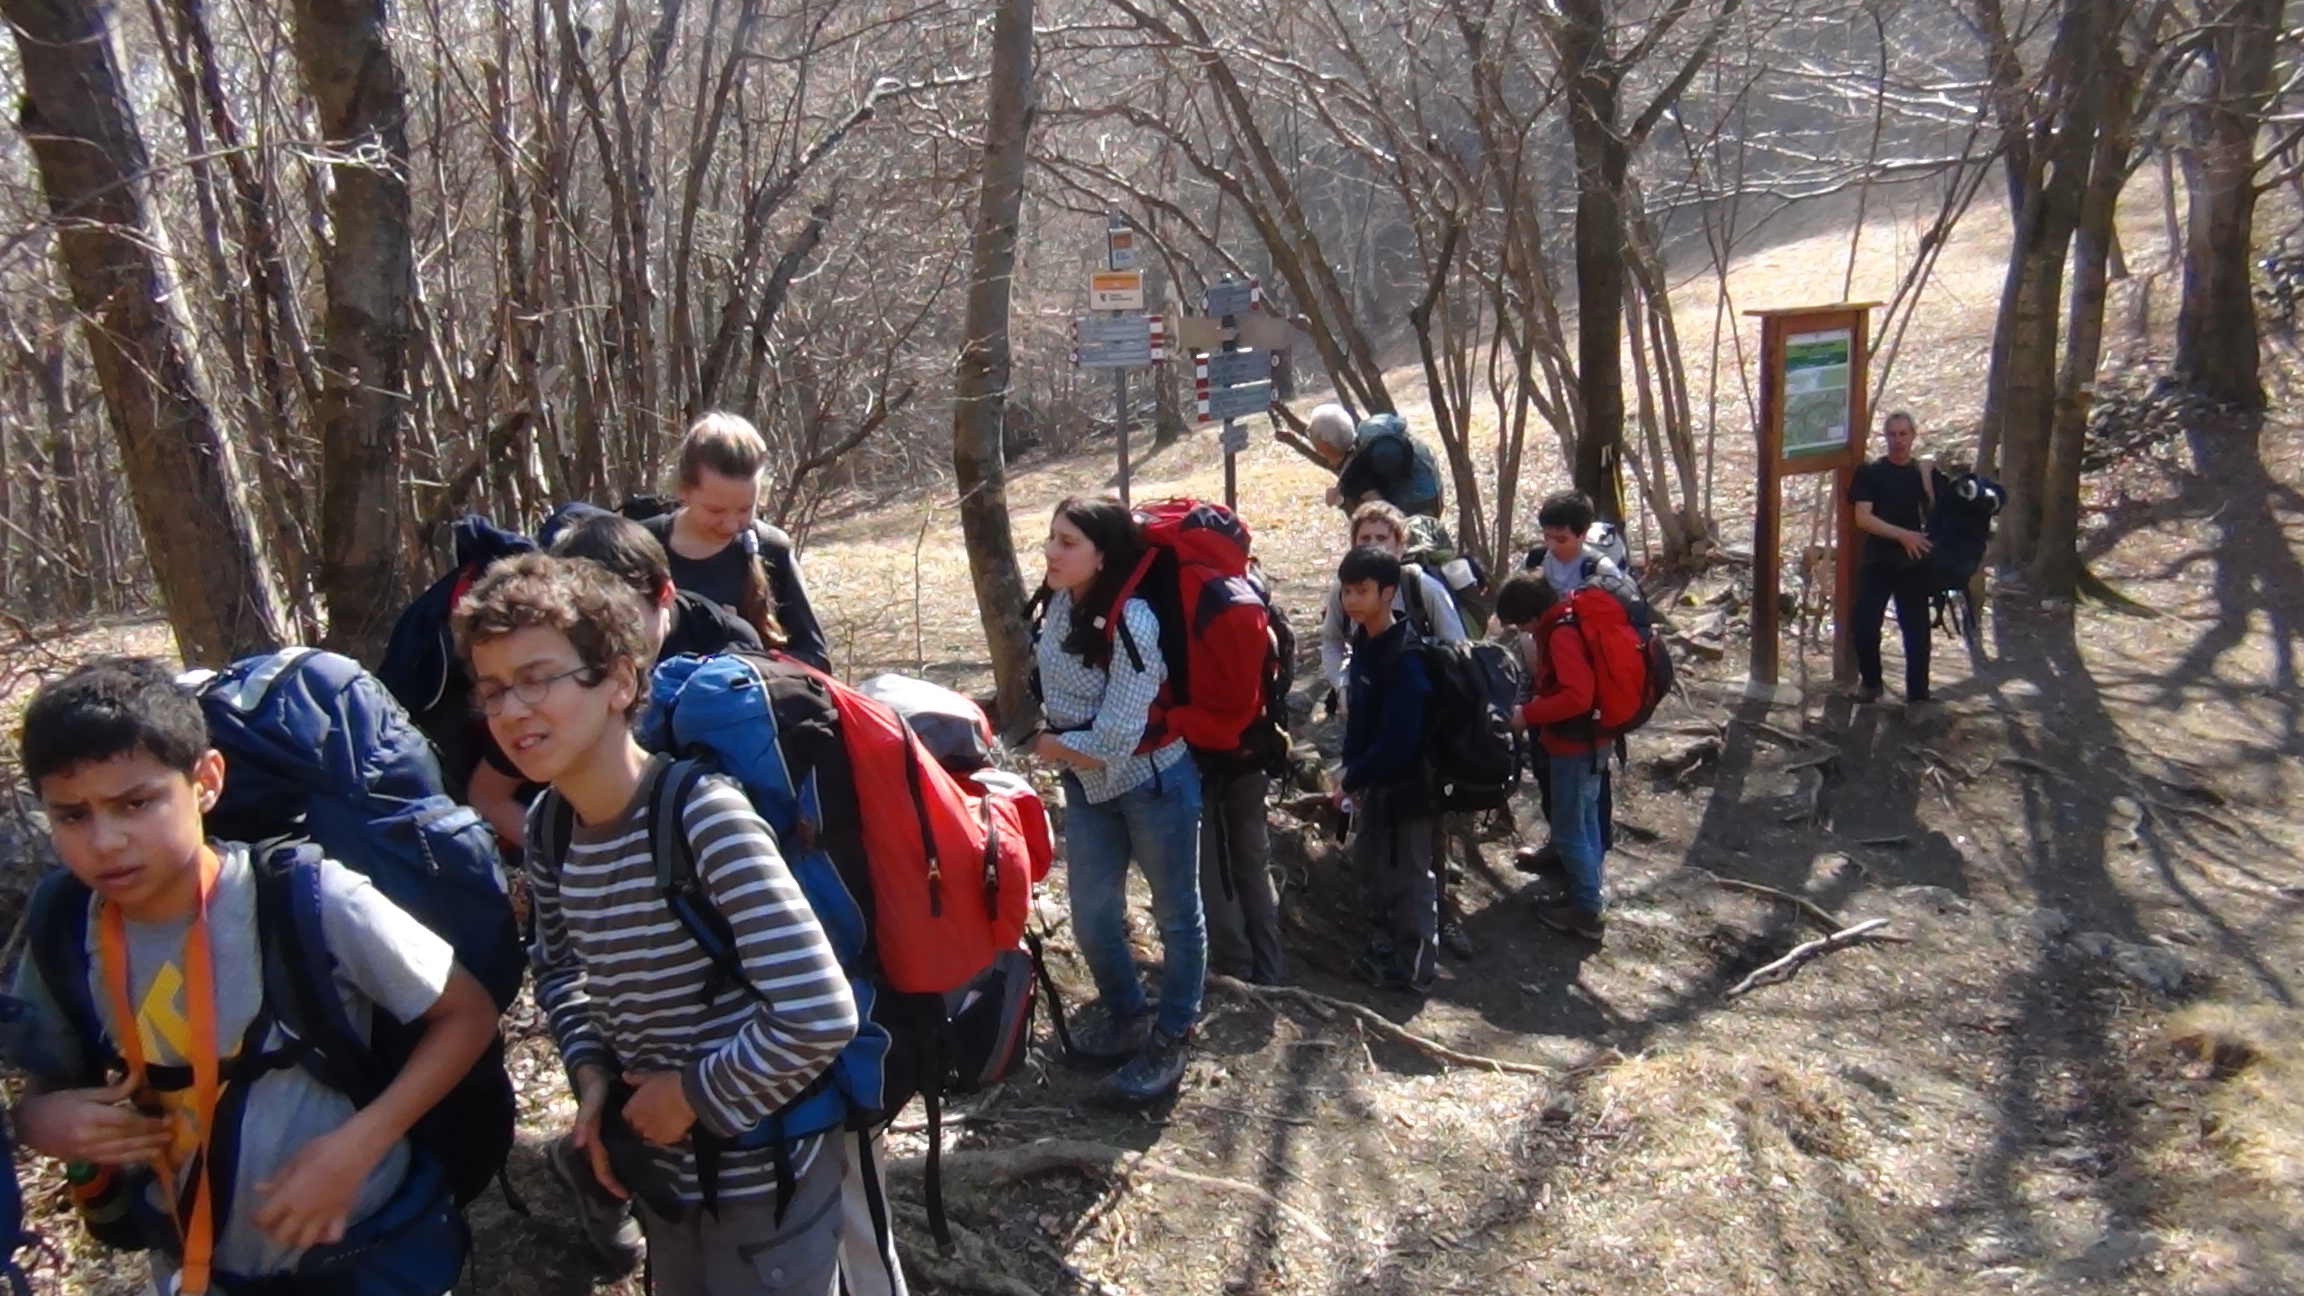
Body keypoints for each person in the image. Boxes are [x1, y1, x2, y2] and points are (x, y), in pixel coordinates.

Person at [6, 657, 499, 1295]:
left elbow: (467, 1014)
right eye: (73, 815)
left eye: (137, 803)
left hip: (360, 1251)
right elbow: (46, 1076)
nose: (106, 841)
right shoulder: (64, 923)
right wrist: (38, 1120)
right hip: (193, 1264)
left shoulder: (305, 897)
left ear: (206, 781)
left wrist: (359, 1146)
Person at [454, 555, 860, 1295]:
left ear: (618, 680)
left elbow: (818, 1011)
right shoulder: (549, 827)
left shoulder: (704, 817)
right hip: (661, 1170)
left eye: (537, 679)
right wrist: (592, 1076)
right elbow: (560, 969)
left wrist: (690, 1096)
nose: (511, 710)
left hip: (766, 1178)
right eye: (494, 689)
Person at [1031, 497, 1206, 1108]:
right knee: (1092, 916)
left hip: (1153, 784)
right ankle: (1128, 1016)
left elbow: (1115, 741)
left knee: (1176, 915)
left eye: (1068, 542)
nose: (1052, 551)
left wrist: (1049, 745)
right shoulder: (1056, 603)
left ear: (1103, 557)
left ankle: (1173, 1035)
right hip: (1088, 788)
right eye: (1051, 537)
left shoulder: (1134, 621)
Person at [1318, 501, 1475, 958]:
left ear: (1400, 544)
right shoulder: (1349, 594)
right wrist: (1344, 685)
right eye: (1363, 539)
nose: (1373, 545)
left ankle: (1435, 927)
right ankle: (1388, 931)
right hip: (1371, 736)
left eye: (1381, 538)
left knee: (1426, 840)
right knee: (1379, 837)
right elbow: (1332, 642)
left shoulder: (1421, 589)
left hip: (1424, 740)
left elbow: (1457, 651)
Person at [642, 412, 831, 671]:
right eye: (715, 510)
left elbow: (815, 659)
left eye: (745, 509)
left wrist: (751, 669)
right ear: (684, 491)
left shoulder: (770, 547)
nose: (731, 525)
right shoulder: (643, 546)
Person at [1333, 545, 1439, 993]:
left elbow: (1400, 741)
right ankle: (1387, 947)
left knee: (1409, 877)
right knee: (1372, 866)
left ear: (1388, 592)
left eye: (1362, 591)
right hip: (1375, 782)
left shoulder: (1406, 657)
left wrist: (1354, 776)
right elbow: (1361, 717)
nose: (1351, 601)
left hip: (1409, 788)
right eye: (1347, 591)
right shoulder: (1364, 641)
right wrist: (1352, 771)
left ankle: (1416, 969)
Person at [1499, 575, 1610, 942]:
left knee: (1569, 828)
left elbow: (1577, 696)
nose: (1523, 632)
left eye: (1521, 624)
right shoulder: (1568, 620)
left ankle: (1587, 911)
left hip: (1575, 745)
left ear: (1531, 614)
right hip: (1594, 738)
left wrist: (1528, 714)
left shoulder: (1560, 634)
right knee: (1587, 819)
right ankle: (1586, 892)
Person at [547, 505, 763, 662]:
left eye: (623, 622)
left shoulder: (729, 646)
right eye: (588, 626)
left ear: (664, 593)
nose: (609, 643)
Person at [1848, 411, 1950, 725]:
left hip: (1914, 562)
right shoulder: (1871, 472)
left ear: (1913, 435)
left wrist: (1927, 478)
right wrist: (1902, 535)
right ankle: (1871, 683)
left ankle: (1918, 697)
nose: (1898, 441)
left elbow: (1938, 515)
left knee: (1916, 632)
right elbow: (1862, 517)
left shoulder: (1923, 472)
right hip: (1878, 559)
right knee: (1864, 624)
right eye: (1892, 434)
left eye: (1903, 434)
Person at [1309, 406, 1444, 519]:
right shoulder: (1368, 440)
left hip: (1415, 511)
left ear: (1325, 446)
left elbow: (1380, 516)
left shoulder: (1356, 474)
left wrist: (1341, 501)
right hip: (1432, 492)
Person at [1526, 490, 1625, 595]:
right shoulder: (1537, 559)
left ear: (1582, 535)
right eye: (1547, 537)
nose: (1552, 546)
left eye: (1561, 539)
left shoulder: (1603, 571)